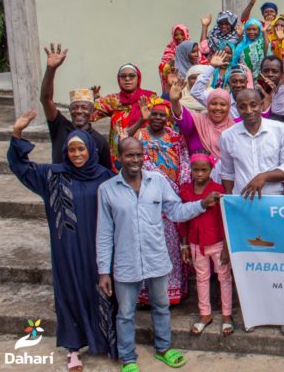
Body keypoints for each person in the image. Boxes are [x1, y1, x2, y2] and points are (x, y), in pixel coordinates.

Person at [97, 137, 219, 371]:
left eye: (138, 155)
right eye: (129, 155)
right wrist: (104, 270)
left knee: (161, 306)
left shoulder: (158, 181)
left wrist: (202, 205)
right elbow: (103, 232)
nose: (134, 160)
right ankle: (128, 358)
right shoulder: (107, 190)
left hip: (156, 257)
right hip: (126, 260)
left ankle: (163, 348)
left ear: (144, 156)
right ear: (119, 158)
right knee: (125, 313)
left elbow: (175, 211)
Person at [9, 110, 117, 371]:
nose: (77, 155)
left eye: (82, 149)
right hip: (66, 251)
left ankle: (105, 342)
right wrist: (17, 133)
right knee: (69, 293)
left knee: (102, 293)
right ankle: (72, 349)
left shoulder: (104, 177)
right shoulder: (53, 176)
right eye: (72, 151)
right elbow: (21, 167)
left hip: (97, 249)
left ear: (91, 150)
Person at [133, 99, 191, 306]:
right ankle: (146, 296)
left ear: (167, 117)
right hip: (146, 197)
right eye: (154, 114)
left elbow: (184, 161)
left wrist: (182, 187)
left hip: (171, 197)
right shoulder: (139, 135)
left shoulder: (175, 137)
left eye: (161, 114)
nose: (158, 118)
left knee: (172, 246)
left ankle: (173, 292)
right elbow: (123, 150)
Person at [178, 152, 234, 337]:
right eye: (196, 170)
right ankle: (205, 314)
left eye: (204, 170)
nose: (200, 174)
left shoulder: (218, 190)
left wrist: (226, 247)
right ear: (191, 170)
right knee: (202, 278)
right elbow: (183, 219)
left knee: (224, 278)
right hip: (195, 244)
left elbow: (226, 220)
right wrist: (185, 245)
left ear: (211, 170)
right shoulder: (185, 190)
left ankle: (227, 315)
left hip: (217, 243)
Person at [40, 43, 112, 170]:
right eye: (75, 107)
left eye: (84, 107)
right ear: (69, 110)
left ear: (92, 111)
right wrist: (51, 69)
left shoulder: (100, 141)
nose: (79, 111)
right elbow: (46, 99)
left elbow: (105, 175)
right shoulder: (60, 127)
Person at [218, 88, 284, 198]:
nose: (249, 111)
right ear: (237, 109)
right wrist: (229, 200)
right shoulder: (227, 136)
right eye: (242, 107)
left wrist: (263, 177)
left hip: (274, 200)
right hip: (242, 200)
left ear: (261, 105)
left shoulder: (281, 130)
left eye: (253, 105)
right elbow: (227, 173)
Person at [92, 63, 158, 165]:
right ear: (119, 79)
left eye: (131, 76)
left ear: (138, 78)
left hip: (146, 151)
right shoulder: (113, 100)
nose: (127, 79)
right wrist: (92, 100)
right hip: (119, 152)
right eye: (123, 76)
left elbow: (162, 119)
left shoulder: (149, 98)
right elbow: (91, 116)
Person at [171, 82, 236, 159]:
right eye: (214, 103)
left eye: (222, 104)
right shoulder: (198, 121)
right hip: (198, 170)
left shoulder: (235, 128)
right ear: (208, 105)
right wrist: (175, 101)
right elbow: (183, 118)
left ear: (228, 107)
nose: (218, 108)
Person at [191, 53, 251, 119]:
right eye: (234, 81)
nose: (238, 85)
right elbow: (196, 92)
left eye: (242, 81)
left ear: (246, 83)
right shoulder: (220, 100)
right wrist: (212, 67)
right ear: (229, 83)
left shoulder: (253, 101)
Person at [159, 24, 190, 92]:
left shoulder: (192, 47)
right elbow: (163, 67)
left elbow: (200, 63)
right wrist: (172, 62)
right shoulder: (170, 48)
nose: (179, 37)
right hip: (174, 83)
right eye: (176, 35)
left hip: (190, 83)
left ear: (186, 33)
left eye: (182, 34)